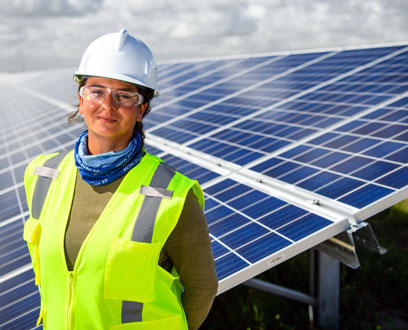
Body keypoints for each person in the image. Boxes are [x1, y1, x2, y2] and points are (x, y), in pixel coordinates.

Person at [23, 29, 218, 330]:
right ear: (81, 96)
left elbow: (202, 289)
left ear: (142, 109)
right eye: (97, 91)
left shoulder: (173, 196)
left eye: (124, 95)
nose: (108, 105)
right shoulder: (42, 176)